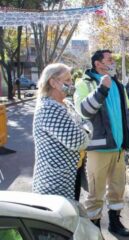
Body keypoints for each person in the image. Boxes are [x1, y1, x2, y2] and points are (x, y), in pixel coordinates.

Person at [74, 49, 129, 236]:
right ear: (98, 63)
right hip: (97, 148)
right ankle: (94, 230)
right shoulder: (84, 83)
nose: (113, 62)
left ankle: (115, 223)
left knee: (117, 189)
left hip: (118, 149)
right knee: (95, 193)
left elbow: (128, 113)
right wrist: (102, 88)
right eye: (109, 59)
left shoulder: (118, 84)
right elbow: (83, 111)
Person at [33, 63, 91, 200]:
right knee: (59, 219)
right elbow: (78, 142)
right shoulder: (49, 108)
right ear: (53, 82)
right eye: (67, 80)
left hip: (71, 173)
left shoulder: (66, 103)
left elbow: (84, 124)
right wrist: (86, 131)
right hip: (54, 181)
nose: (72, 84)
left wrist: (84, 129)